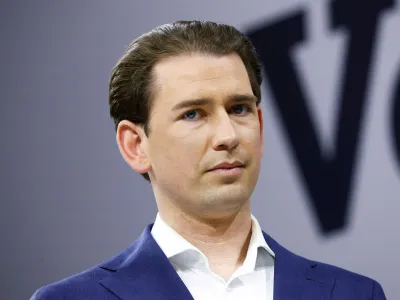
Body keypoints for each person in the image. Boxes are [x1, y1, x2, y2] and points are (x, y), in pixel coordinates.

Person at [30, 20, 386, 300]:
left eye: (239, 109)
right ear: (135, 145)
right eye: (193, 114)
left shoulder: (355, 294)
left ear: (260, 126)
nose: (228, 135)